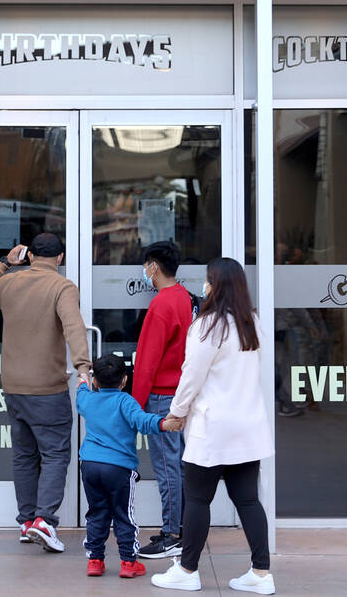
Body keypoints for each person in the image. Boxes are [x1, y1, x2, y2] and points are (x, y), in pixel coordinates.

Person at [151, 257, 275, 595]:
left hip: (213, 427)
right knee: (248, 500)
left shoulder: (207, 326)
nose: (204, 286)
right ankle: (262, 573)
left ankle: (188, 570)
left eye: (207, 280)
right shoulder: (253, 323)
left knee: (197, 499)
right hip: (247, 427)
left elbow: (191, 376)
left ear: (215, 285)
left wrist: (176, 413)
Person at [0, 231, 91, 553]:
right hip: (46, 388)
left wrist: (3, 264)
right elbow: (73, 327)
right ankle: (44, 521)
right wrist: (83, 367)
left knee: (24, 455)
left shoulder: (11, 281)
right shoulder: (62, 286)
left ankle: (26, 523)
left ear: (29, 256)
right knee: (54, 454)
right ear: (60, 259)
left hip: (13, 386)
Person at [76, 353, 181, 578]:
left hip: (90, 465)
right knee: (123, 514)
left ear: (96, 381)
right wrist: (164, 423)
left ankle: (95, 560)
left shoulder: (88, 399)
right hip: (119, 469)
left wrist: (82, 381)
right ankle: (128, 562)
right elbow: (143, 421)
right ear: (124, 380)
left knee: (96, 512)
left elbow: (80, 394)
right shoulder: (125, 402)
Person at [132, 240, 193, 559]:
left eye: (145, 265)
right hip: (181, 393)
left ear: (153, 266)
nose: (145, 272)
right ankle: (181, 528)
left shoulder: (162, 304)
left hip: (161, 397)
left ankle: (172, 535)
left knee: (168, 467)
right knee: (179, 465)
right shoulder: (184, 298)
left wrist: (134, 405)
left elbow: (147, 360)